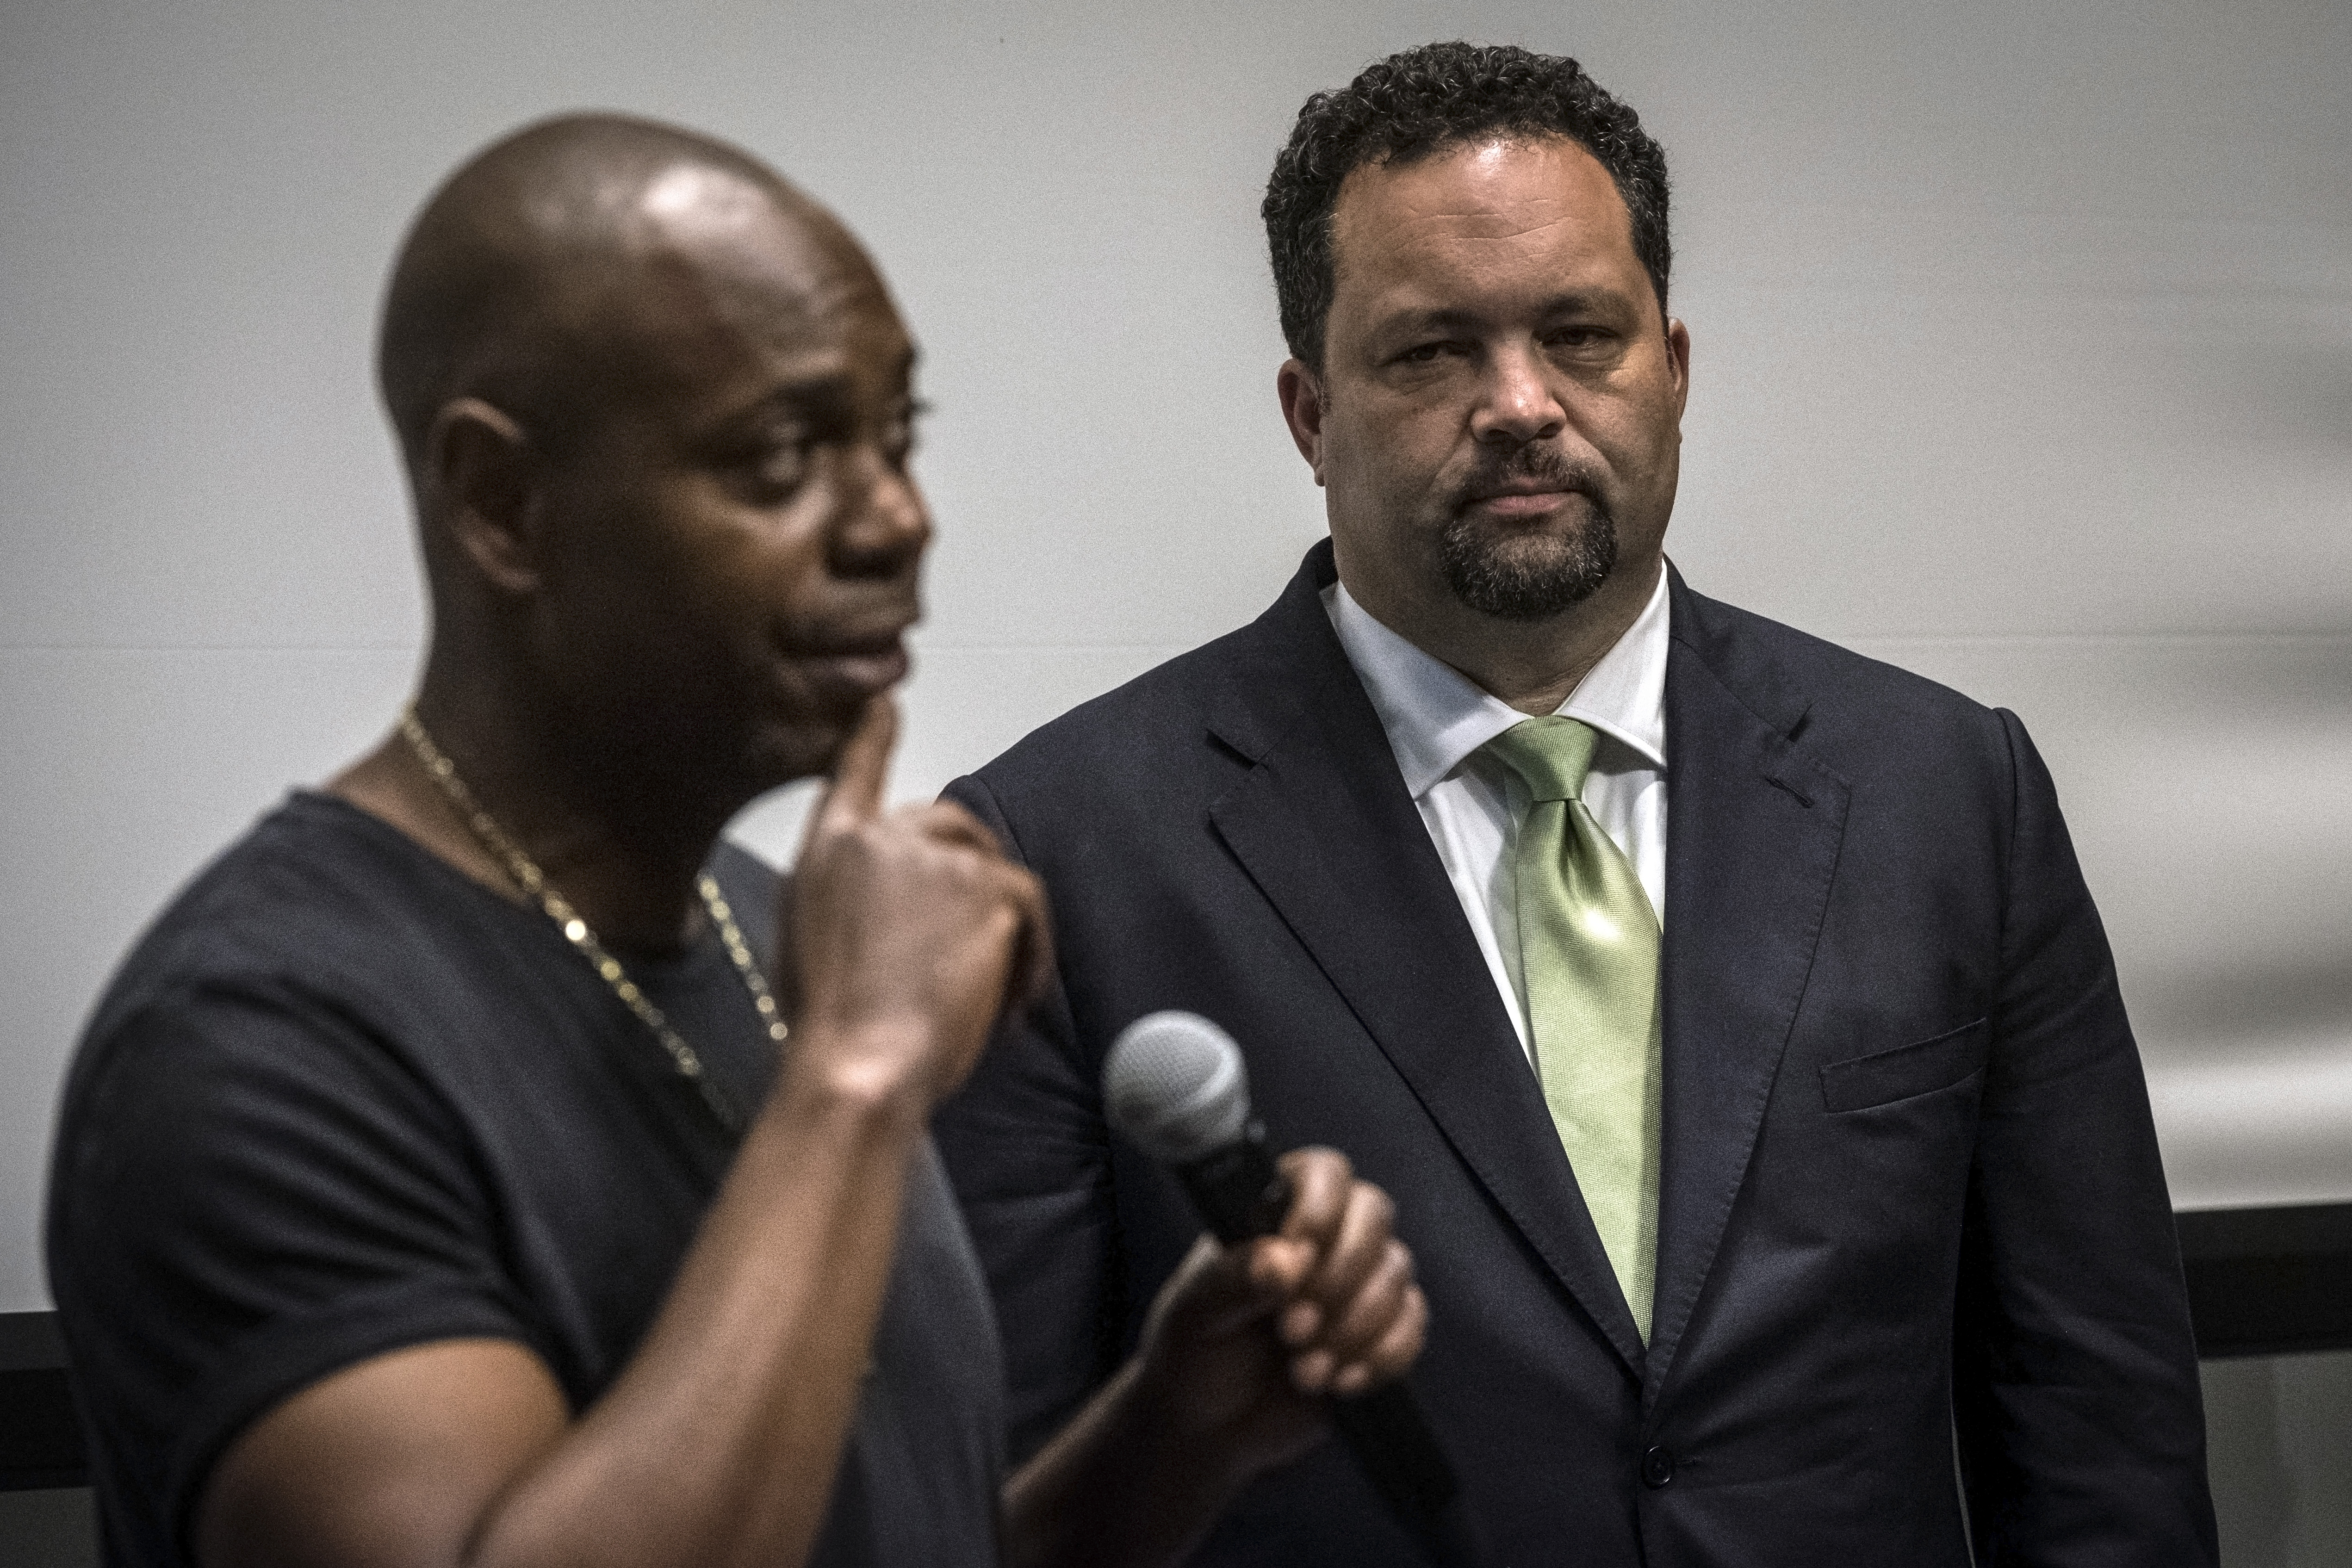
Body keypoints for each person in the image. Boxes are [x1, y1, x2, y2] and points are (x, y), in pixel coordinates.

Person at [43, 113, 1427, 1568]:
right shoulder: (260, 1047)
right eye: (781, 456)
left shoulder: (773, 937)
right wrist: (856, 1081)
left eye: (896, 439)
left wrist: (1167, 1439)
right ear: (502, 505)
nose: (896, 521)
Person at [935, 40, 2217, 1567]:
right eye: (1431, 351)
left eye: (1579, 335)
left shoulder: (1943, 795)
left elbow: (2095, 1426)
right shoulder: (1056, 857)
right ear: (1309, 412)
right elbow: (1000, 1490)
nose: (1519, 405)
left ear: (1671, 370)